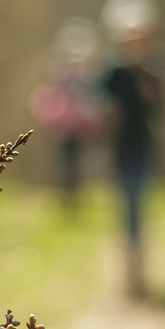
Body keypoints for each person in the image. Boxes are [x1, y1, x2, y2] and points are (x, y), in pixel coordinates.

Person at [99, 0, 165, 296]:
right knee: (126, 204)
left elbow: (160, 108)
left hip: (144, 148)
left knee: (138, 203)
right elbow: (97, 104)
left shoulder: (152, 72)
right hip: (119, 149)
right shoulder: (112, 74)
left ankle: (137, 262)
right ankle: (129, 262)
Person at [28, 18, 106, 204]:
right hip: (64, 123)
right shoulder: (59, 66)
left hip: (77, 123)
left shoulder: (85, 67)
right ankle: (66, 192)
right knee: (65, 159)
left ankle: (72, 192)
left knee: (73, 159)